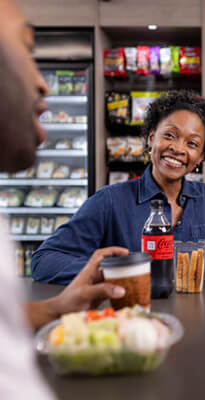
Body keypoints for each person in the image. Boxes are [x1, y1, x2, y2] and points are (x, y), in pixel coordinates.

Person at [0, 1, 129, 398]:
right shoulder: (110, 198)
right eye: (26, 48)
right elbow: (45, 257)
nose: (43, 83)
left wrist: (55, 309)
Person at [31, 91, 205, 284]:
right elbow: (45, 260)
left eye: (192, 144)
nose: (178, 148)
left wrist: (168, 263)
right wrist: (121, 270)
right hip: (134, 321)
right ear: (151, 138)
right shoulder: (110, 201)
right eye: (169, 135)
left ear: (201, 157)